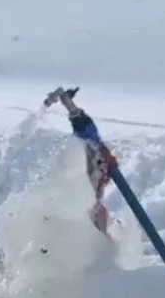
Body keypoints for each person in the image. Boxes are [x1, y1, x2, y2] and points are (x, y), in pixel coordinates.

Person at [50, 87, 116, 235]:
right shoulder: (87, 145)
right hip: (86, 196)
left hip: (89, 195)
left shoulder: (90, 146)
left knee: (92, 210)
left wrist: (67, 102)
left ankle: (100, 241)